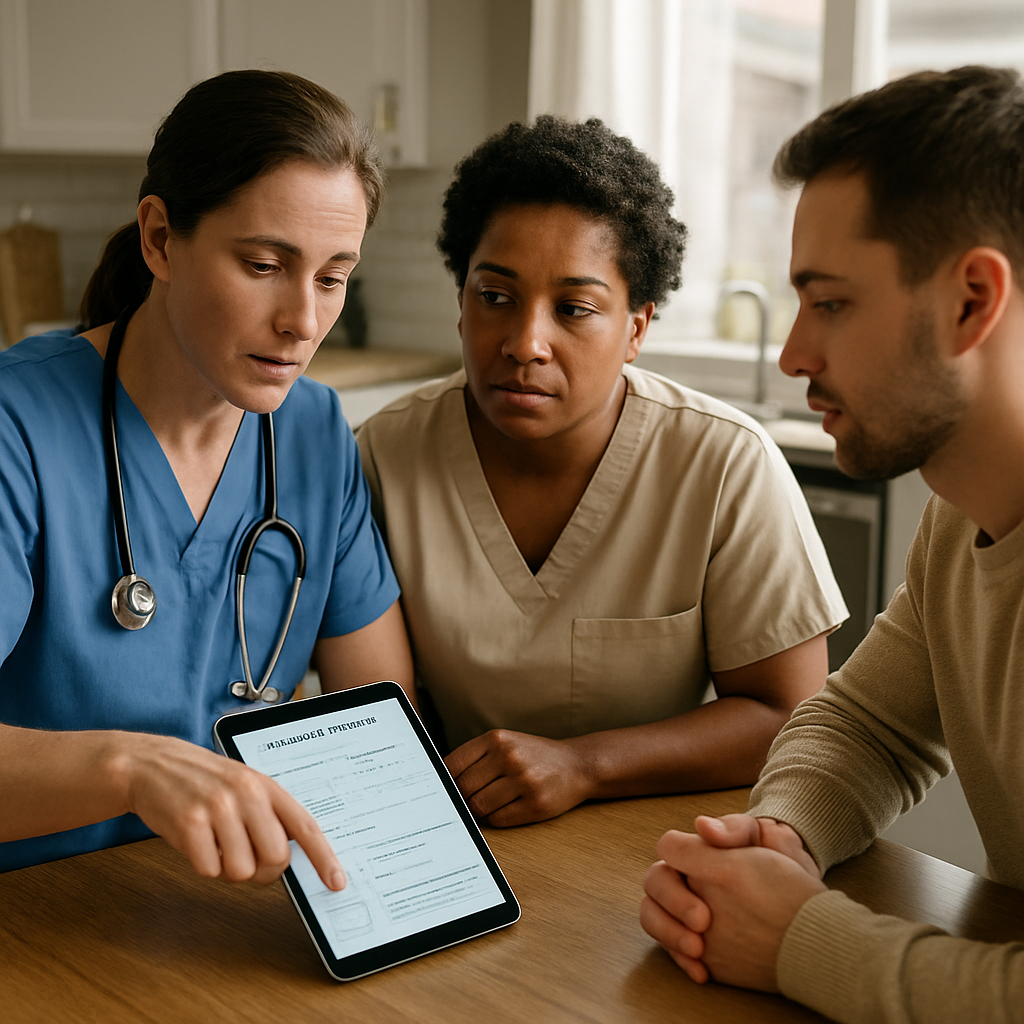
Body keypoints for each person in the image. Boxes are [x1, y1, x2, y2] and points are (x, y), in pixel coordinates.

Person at [640, 65, 1024, 1024]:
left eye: (832, 303)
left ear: (973, 301)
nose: (791, 353)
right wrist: (782, 834)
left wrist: (799, 940)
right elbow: (869, 727)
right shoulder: (960, 513)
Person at [355, 116, 847, 827]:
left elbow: (790, 716)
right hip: (453, 837)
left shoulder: (723, 464)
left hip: (649, 843)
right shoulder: (383, 455)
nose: (525, 343)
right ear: (460, 307)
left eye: (574, 309)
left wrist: (585, 765)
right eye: (494, 297)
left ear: (637, 329)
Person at [0, 70, 414, 883]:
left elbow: (377, 729)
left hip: (219, 912)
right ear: (160, 239)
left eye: (333, 278)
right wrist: (131, 771)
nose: (302, 321)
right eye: (264, 264)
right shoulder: (19, 425)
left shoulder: (314, 433)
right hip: (32, 912)